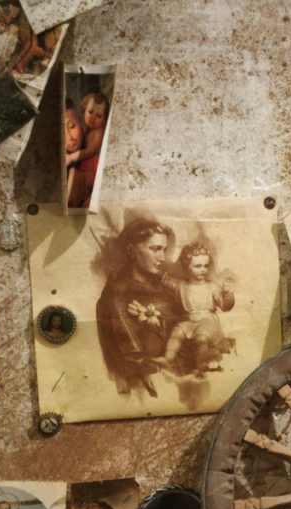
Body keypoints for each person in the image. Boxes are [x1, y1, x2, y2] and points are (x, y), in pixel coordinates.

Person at [96, 218, 180, 397]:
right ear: (131, 251)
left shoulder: (166, 288)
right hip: (149, 388)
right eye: (155, 249)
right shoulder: (116, 297)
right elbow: (133, 361)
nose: (162, 258)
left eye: (164, 250)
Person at [154, 242, 235, 377]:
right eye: (197, 266)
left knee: (201, 338)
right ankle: (167, 358)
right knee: (176, 332)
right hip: (190, 323)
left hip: (208, 323)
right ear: (187, 267)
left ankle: (201, 365)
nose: (203, 269)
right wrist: (158, 272)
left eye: (206, 265)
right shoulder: (181, 285)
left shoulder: (212, 287)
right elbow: (166, 280)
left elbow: (225, 306)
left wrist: (228, 294)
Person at [66, 92, 109, 208]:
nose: (93, 118)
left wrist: (70, 157)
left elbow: (90, 151)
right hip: (85, 169)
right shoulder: (86, 130)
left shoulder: (98, 132)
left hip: (93, 170)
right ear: (84, 109)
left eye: (99, 116)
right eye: (90, 112)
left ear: (104, 119)